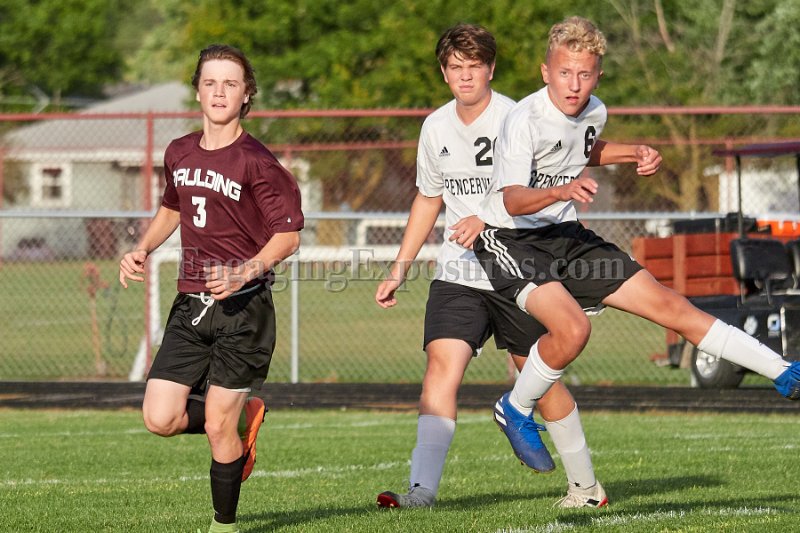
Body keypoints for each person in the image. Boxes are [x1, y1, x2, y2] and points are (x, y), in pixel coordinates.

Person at [473, 15, 800, 469]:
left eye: (585, 74)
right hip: (511, 240)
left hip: (565, 237)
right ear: (545, 71)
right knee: (573, 330)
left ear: (598, 75)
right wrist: (562, 191)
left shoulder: (594, 110)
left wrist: (633, 152)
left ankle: (783, 372)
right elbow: (512, 199)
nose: (574, 85)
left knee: (672, 306)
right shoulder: (523, 119)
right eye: (564, 72)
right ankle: (515, 407)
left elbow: (580, 146)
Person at [374, 23, 607, 510]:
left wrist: (491, 218)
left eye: (474, 66)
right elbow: (428, 199)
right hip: (458, 272)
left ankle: (586, 488)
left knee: (539, 380)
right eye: (455, 67)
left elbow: (541, 190)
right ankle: (421, 491)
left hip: (517, 268)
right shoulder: (435, 127)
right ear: (444, 73)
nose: (465, 75)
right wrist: (400, 267)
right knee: (442, 366)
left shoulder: (518, 117)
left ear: (491, 69)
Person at [119, 44, 304, 533]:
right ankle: (244, 416)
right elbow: (173, 207)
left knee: (218, 425)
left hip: (244, 309)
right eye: (210, 83)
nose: (219, 92)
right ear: (198, 92)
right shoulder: (179, 151)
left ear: (246, 95)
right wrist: (143, 247)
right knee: (159, 418)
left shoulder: (258, 162)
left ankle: (224, 524)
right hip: (191, 305)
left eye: (230, 84)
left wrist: (244, 271)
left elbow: (288, 236)